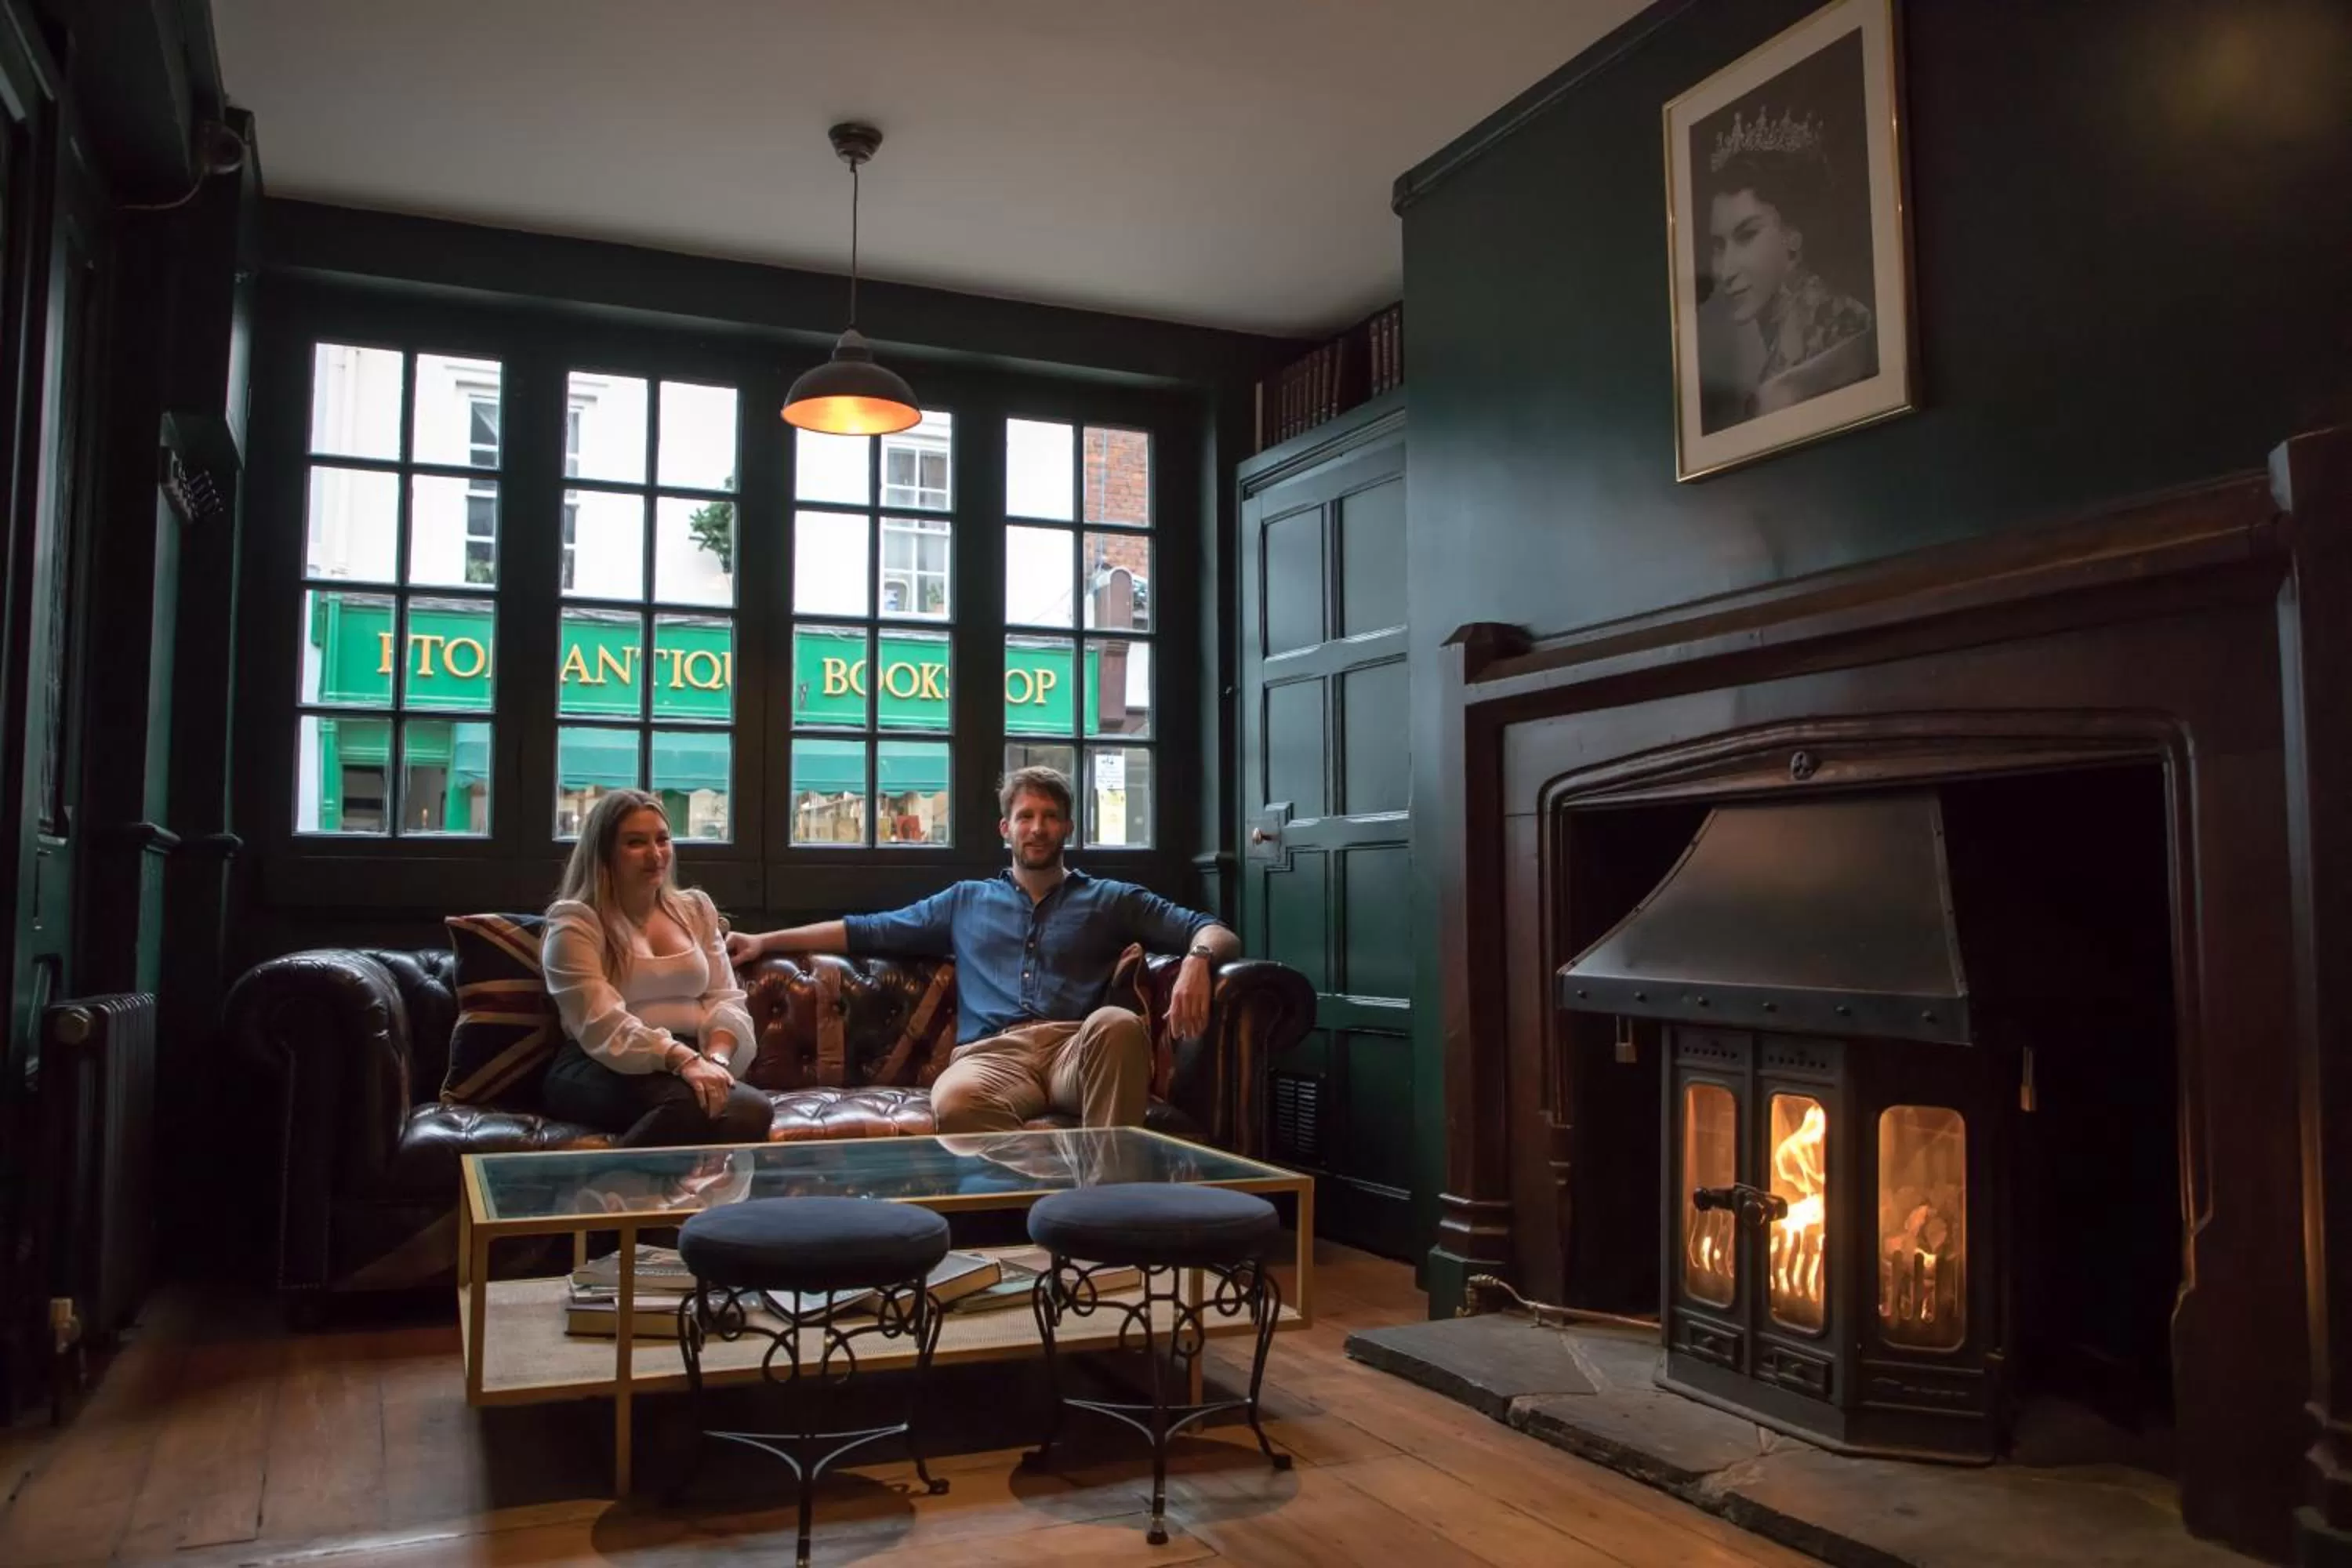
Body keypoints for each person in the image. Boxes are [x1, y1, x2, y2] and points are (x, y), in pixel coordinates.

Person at [726, 765, 1238, 1134]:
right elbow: (865, 931)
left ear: (1068, 827)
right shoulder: (965, 902)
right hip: (993, 1057)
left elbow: (1215, 931)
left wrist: (1198, 960)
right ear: (1005, 828)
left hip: (1074, 1051)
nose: (1038, 828)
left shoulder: (1110, 899)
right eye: (1026, 816)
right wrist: (764, 941)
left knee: (1118, 1024)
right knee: (955, 1101)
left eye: (1051, 816)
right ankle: (1073, 1183)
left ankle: (1103, 1209)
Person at [540, 789, 771, 1147]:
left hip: (691, 1056)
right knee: (689, 1105)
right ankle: (600, 1183)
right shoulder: (576, 923)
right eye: (635, 843)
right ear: (604, 853)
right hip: (597, 1061)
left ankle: (678, 1186)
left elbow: (727, 999)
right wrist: (682, 1060)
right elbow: (601, 1023)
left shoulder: (695, 911)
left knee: (753, 1109)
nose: (655, 855)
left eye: (662, 840)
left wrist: (715, 1061)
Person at [1703, 108, 1878, 425]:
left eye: (1747, 235)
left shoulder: (1840, 334)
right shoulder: (1779, 345)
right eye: (1719, 246)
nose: (1725, 271)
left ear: (1793, 235)